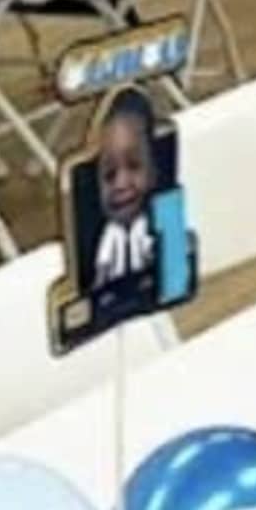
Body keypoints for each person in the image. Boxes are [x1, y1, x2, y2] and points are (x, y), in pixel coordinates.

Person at [67, 87, 176, 332]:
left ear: (153, 170)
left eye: (135, 166)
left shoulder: (166, 222)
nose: (121, 184)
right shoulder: (101, 243)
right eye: (108, 175)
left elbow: (174, 278)